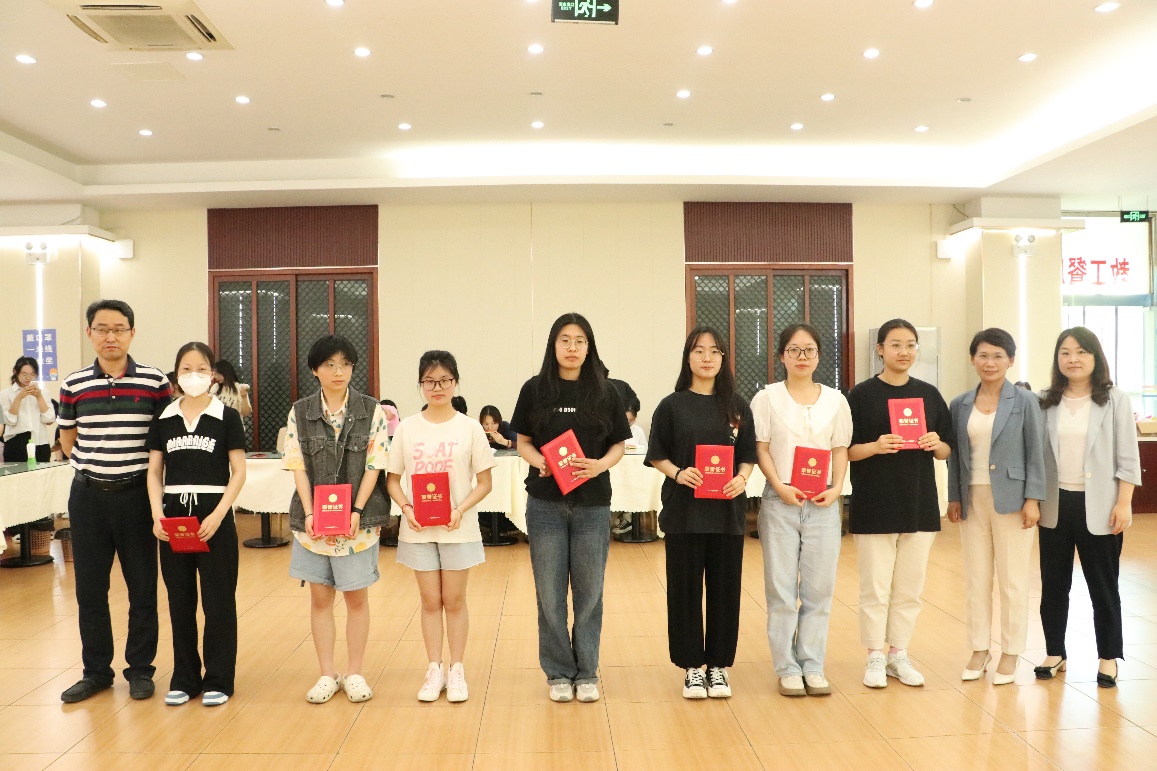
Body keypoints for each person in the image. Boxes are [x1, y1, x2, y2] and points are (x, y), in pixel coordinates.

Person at [511, 312, 632, 703]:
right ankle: (559, 672)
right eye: (565, 340)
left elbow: (618, 444)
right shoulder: (535, 389)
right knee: (549, 594)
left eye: (580, 341)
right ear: (553, 345)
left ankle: (587, 671)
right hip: (545, 505)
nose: (572, 348)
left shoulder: (606, 392)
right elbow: (522, 441)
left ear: (589, 347)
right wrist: (540, 462)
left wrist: (599, 465)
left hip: (592, 506)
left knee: (589, 592)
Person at [57, 299, 172, 703]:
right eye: (102, 329)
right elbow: (68, 440)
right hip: (88, 497)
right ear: (89, 333)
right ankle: (96, 672)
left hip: (137, 496)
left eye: (119, 329)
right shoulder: (73, 385)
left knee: (142, 587)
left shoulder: (155, 382)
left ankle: (140, 669)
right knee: (90, 590)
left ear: (132, 333)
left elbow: (165, 440)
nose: (111, 336)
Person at [646, 326, 755, 699]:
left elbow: (748, 455)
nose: (706, 357)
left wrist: (742, 478)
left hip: (727, 515)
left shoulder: (737, 406)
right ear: (688, 358)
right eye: (698, 350)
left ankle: (718, 667)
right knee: (684, 591)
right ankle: (692, 667)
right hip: (684, 514)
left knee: (725, 591)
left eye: (714, 351)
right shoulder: (671, 405)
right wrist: (678, 473)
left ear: (723, 358)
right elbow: (657, 454)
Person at [283, 334, 390, 704]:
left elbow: (375, 464)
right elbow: (297, 465)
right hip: (313, 525)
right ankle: (327, 674)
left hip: (358, 523)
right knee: (320, 599)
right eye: (329, 364)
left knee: (356, 598)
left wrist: (357, 510)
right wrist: (310, 512)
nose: (338, 371)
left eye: (345, 364)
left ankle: (355, 672)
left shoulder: (371, 410)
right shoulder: (300, 412)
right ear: (315, 370)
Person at [847, 318, 952, 689]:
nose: (903, 351)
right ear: (880, 350)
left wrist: (936, 443)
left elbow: (946, 449)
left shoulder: (929, 394)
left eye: (910, 344)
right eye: (895, 344)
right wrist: (876, 446)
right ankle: (874, 655)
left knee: (909, 588)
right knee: (874, 588)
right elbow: (845, 451)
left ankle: (898, 654)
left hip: (919, 503)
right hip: (874, 503)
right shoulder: (860, 395)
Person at [386, 351, 495, 702]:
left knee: (455, 600)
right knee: (430, 601)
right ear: (421, 385)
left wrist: (460, 509)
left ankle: (457, 669)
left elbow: (485, 482)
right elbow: (392, 479)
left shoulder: (470, 428)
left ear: (455, 383)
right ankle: (434, 669)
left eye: (444, 380)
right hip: (418, 530)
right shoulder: (407, 428)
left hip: (457, 528)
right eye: (430, 381)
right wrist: (406, 508)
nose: (437, 387)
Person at [1035, 327, 1141, 688]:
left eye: (1081, 352)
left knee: (1103, 585)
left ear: (1096, 357)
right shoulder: (1045, 400)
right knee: (1053, 584)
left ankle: (1108, 657)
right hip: (1055, 504)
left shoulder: (1115, 400)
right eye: (1065, 352)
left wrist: (1124, 502)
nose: (1073, 359)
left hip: (1100, 505)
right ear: (1057, 359)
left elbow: (1128, 456)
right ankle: (1055, 652)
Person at [752, 324, 852, 697]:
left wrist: (836, 487)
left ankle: (812, 663)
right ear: (782, 356)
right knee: (780, 589)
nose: (802, 357)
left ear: (818, 356)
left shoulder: (836, 400)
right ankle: (787, 667)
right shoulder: (766, 398)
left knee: (819, 590)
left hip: (823, 503)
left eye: (809, 350)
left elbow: (840, 448)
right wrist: (779, 486)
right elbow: (761, 448)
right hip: (780, 502)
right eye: (794, 350)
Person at [146, 342, 247, 707]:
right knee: (180, 600)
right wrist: (158, 515)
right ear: (176, 374)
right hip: (174, 517)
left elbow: (239, 471)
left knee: (219, 601)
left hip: (214, 515)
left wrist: (218, 514)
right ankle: (185, 678)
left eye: (201, 368)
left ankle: (219, 678)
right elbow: (154, 471)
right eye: (186, 368)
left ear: (212, 374)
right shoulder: (165, 417)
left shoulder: (227, 416)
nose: (194, 375)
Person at [945, 328, 1045, 685]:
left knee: (1013, 580)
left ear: (1011, 360)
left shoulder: (1026, 401)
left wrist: (1033, 499)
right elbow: (955, 456)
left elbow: (1037, 453)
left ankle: (1012, 651)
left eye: (998, 356)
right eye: (983, 355)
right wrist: (954, 496)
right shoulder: (960, 403)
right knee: (976, 579)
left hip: (1013, 500)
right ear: (973, 359)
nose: (990, 362)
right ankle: (979, 648)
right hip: (972, 498)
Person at [1, 356, 55, 463]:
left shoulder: (43, 392)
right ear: (15, 372)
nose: (28, 377)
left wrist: (39, 397)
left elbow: (49, 419)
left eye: (32, 374)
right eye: (24, 374)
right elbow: (10, 421)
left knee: (42, 473)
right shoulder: (5, 394)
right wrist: (18, 398)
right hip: (15, 443)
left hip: (40, 442)